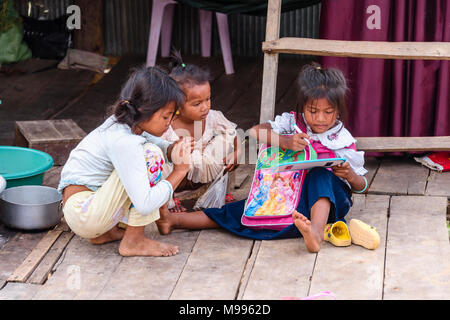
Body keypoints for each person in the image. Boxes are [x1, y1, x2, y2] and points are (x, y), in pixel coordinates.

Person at [156, 62, 371, 253]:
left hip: (328, 204)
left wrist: (350, 175)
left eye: (328, 112)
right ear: (303, 106)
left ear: (338, 111)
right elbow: (255, 131)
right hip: (287, 200)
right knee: (242, 211)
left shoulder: (342, 139)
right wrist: (286, 141)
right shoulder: (292, 123)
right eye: (313, 111)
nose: (320, 118)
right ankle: (174, 220)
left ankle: (315, 232)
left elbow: (362, 187)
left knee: (319, 175)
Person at [58, 65, 193, 257]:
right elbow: (145, 203)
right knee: (150, 156)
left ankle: (105, 233)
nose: (169, 122)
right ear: (143, 109)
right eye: (165, 116)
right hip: (85, 213)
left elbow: (150, 138)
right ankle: (134, 241)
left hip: (86, 210)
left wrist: (172, 149)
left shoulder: (124, 124)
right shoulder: (124, 142)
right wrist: (180, 171)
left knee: (151, 151)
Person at [160, 51, 242, 212]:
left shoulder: (213, 118)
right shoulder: (166, 127)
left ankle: (219, 192)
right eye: (197, 104)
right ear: (176, 104)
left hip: (204, 175)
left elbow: (234, 136)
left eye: (208, 99)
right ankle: (168, 202)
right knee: (159, 159)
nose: (205, 107)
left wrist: (237, 152)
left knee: (225, 141)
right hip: (178, 181)